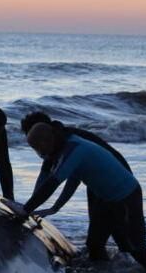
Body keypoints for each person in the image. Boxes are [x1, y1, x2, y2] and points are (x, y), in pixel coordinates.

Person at [14, 122, 146, 273]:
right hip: (105, 198)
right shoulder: (64, 145)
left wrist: (25, 210)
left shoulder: (73, 148)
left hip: (126, 196)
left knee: (137, 248)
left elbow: (52, 183)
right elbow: (73, 180)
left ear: (47, 140)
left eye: (37, 148)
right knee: (94, 244)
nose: (39, 153)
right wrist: (56, 207)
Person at [20, 111, 131, 261]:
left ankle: (114, 266)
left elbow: (60, 181)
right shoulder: (57, 140)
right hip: (102, 181)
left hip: (114, 180)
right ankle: (123, 263)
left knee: (103, 235)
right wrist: (34, 206)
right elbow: (46, 175)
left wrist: (27, 209)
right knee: (106, 231)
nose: (37, 147)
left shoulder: (68, 143)